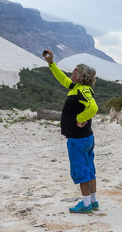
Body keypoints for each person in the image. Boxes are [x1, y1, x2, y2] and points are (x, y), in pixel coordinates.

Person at [42, 49, 100, 214]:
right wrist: (51, 63)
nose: (72, 72)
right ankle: (94, 201)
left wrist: (80, 118)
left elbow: (93, 107)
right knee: (89, 169)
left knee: (80, 169)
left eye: (75, 70)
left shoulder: (82, 90)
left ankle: (86, 204)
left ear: (80, 75)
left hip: (78, 139)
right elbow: (62, 78)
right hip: (85, 138)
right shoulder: (77, 87)